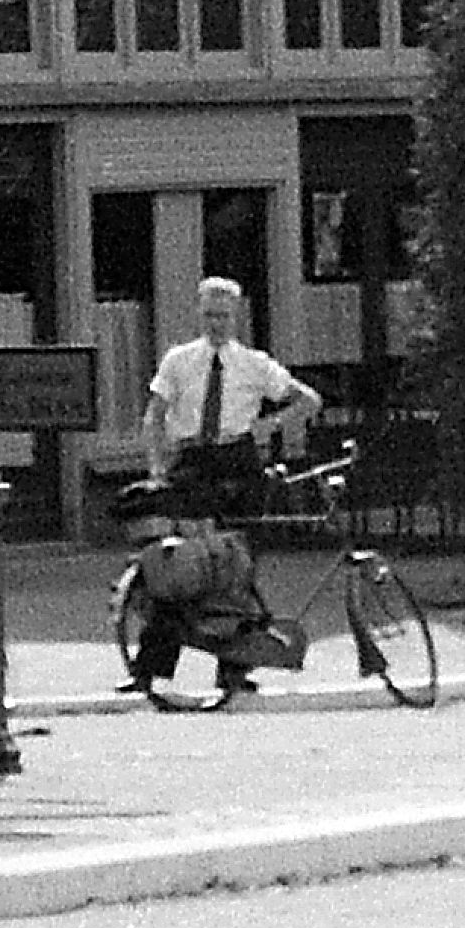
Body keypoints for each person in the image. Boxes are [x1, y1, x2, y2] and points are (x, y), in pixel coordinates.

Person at [128, 276, 320, 697]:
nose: (217, 323)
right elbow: (154, 415)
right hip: (192, 461)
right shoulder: (179, 361)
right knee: (175, 564)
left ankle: (233, 670)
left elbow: (308, 400)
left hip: (237, 462)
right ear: (199, 314)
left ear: (237, 317)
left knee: (237, 568)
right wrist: (157, 467)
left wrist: (270, 424)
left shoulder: (254, 364)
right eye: (210, 315)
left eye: (224, 316)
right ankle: (149, 669)